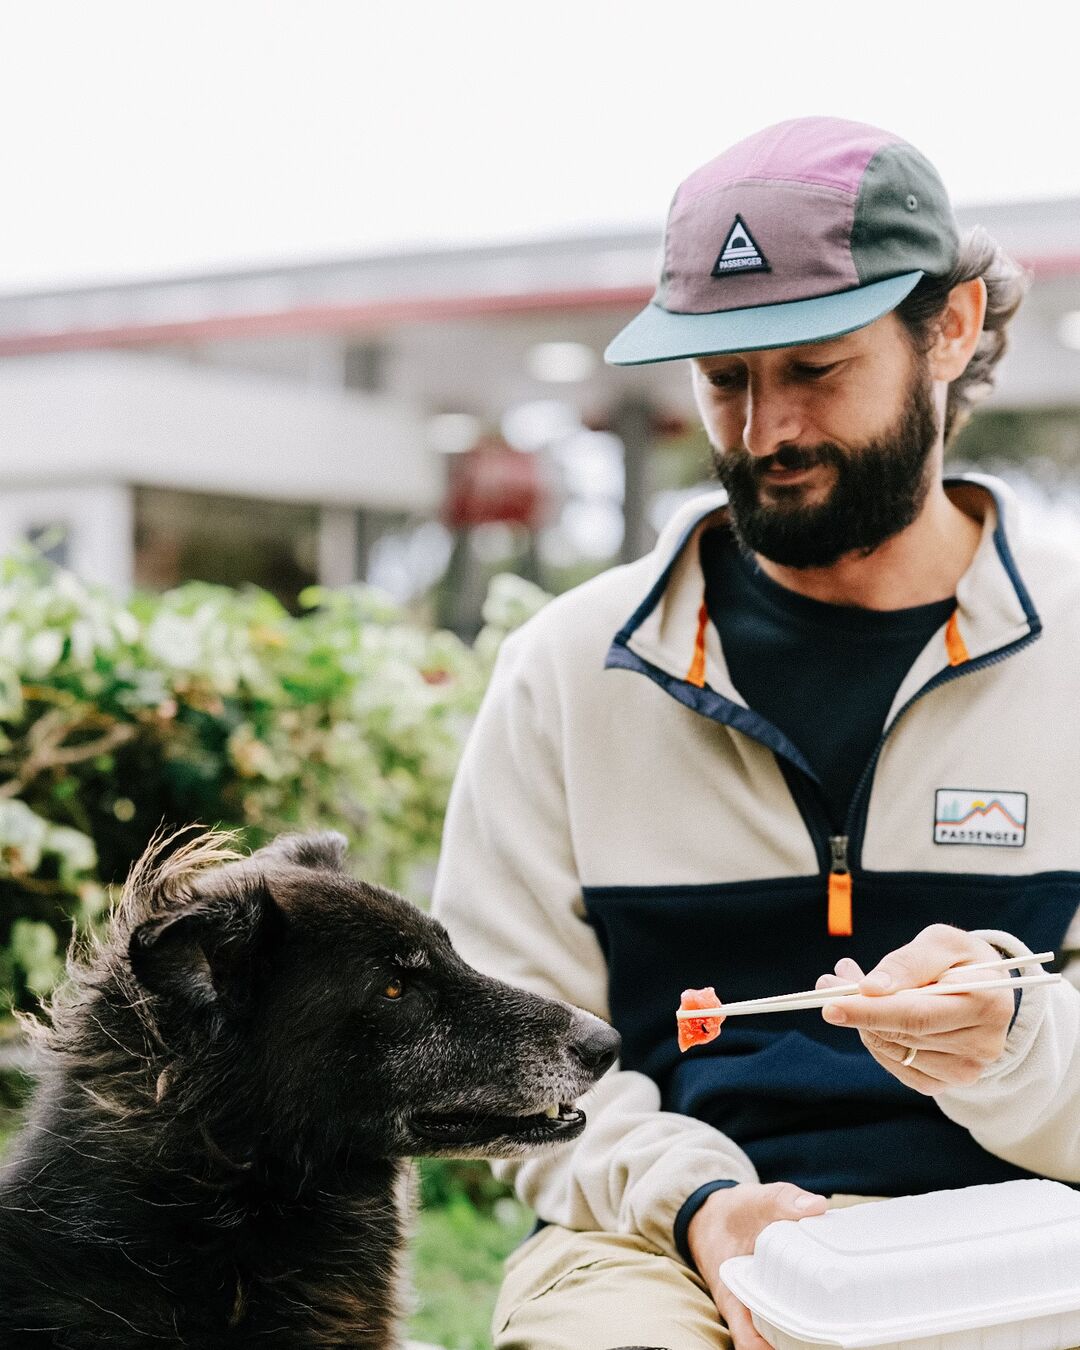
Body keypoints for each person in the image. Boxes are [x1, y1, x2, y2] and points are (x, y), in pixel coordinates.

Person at [430, 116, 1080, 1350]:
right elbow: (500, 1066)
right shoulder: (566, 673)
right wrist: (707, 1211)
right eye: (725, 381)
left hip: (1022, 1231)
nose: (763, 432)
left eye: (815, 369)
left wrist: (1012, 1040)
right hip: (652, 1251)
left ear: (948, 329)